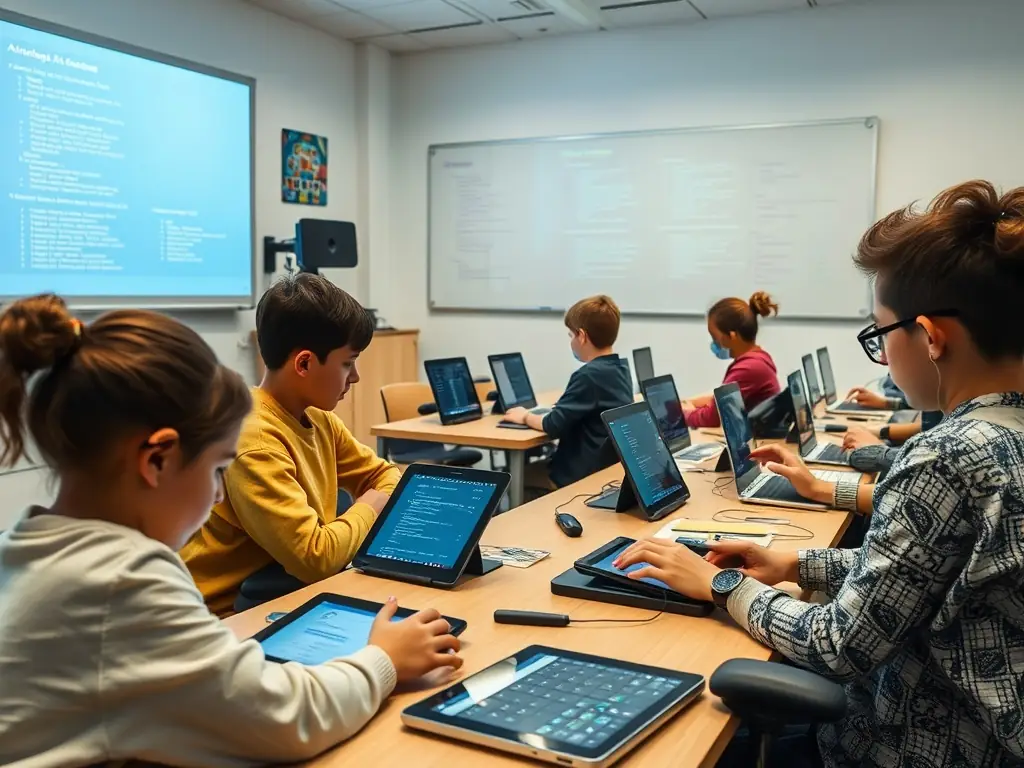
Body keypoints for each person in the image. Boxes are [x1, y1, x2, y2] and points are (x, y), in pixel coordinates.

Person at [615, 180, 1024, 766]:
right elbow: (933, 577)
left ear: (930, 336)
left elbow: (838, 644)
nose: (881, 354)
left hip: (912, 746)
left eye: (880, 335)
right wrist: (795, 561)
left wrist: (718, 584)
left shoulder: (948, 456)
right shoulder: (1008, 432)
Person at [0, 295, 462, 766]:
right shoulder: (123, 582)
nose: (221, 495)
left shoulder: (23, 549)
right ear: (157, 460)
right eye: (218, 469)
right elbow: (286, 718)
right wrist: (383, 658)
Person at [181, 273, 401, 615]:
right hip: (231, 616)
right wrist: (370, 505)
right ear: (304, 363)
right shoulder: (255, 440)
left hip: (292, 595)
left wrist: (369, 502)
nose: (355, 378)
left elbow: (388, 478)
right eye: (348, 363)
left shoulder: (319, 420)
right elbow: (317, 558)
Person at [502, 295, 632, 489]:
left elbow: (552, 424)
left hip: (576, 477)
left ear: (582, 336)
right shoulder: (620, 368)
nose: (571, 342)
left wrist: (525, 417)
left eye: (571, 336)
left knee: (514, 478)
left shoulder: (588, 375)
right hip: (602, 469)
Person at [682, 291, 781, 428]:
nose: (714, 343)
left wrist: (681, 415)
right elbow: (719, 397)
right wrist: (686, 402)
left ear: (732, 336)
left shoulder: (749, 367)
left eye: (715, 337)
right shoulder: (758, 358)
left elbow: (712, 418)